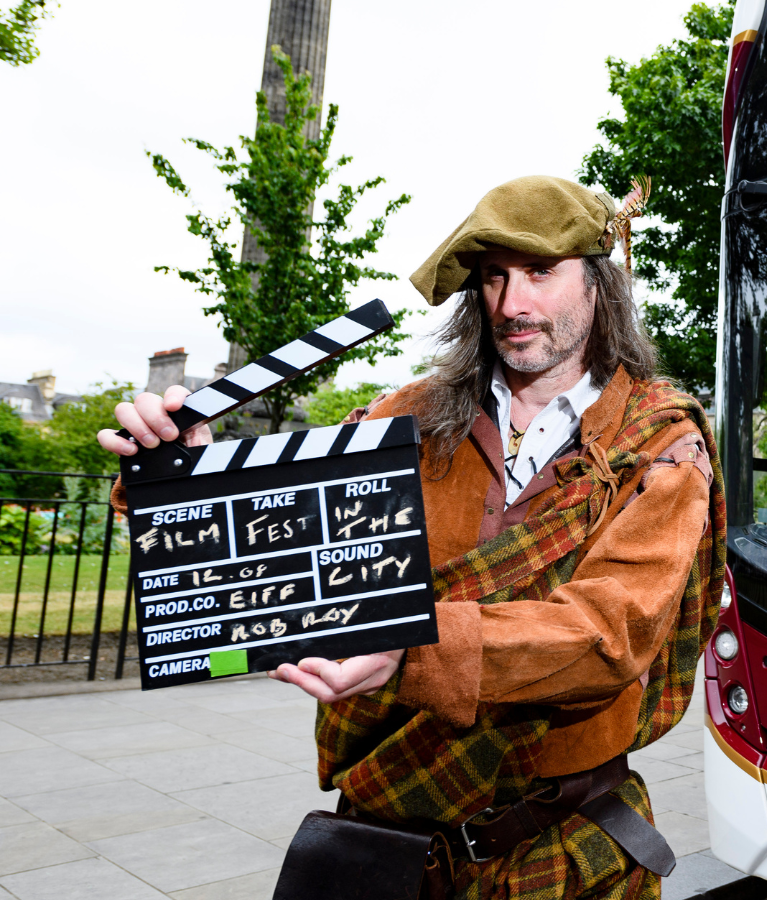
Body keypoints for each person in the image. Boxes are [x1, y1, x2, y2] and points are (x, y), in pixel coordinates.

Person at [99, 175, 726, 900]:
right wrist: (185, 471)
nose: (513, 304)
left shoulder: (660, 439)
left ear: (599, 283)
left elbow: (613, 632)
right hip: (391, 841)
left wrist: (411, 646)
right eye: (493, 276)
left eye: (541, 273)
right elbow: (279, 544)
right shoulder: (406, 416)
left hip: (564, 843)